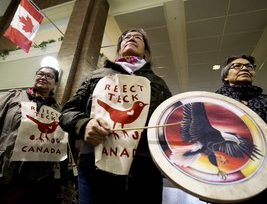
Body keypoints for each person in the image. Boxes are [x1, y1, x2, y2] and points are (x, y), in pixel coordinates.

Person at [59, 28, 172, 204]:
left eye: (138, 37)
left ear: (146, 50)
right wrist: (84, 125)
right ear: (119, 48)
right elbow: (68, 111)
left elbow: (169, 121)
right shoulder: (96, 76)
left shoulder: (158, 83)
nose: (131, 38)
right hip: (95, 163)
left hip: (144, 167)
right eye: (126, 37)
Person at [215, 53, 267, 203]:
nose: (244, 68)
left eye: (249, 66)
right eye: (237, 66)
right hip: (230, 172)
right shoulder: (215, 102)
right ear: (226, 76)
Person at [0, 66, 73, 204]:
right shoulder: (14, 96)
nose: (43, 77)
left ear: (56, 83)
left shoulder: (59, 110)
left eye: (49, 76)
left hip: (38, 174)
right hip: (6, 166)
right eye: (40, 74)